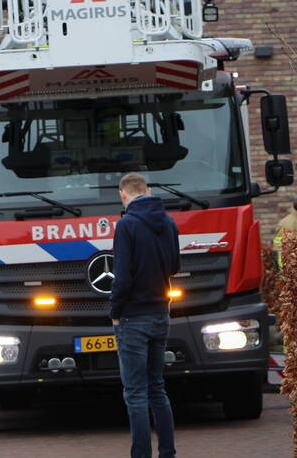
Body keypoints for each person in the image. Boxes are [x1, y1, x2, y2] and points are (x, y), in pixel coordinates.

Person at [111, 172, 180, 458]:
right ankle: (168, 453)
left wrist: (115, 311)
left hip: (133, 317)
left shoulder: (126, 225)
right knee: (157, 389)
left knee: (135, 393)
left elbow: (122, 277)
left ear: (124, 195)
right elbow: (174, 266)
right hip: (160, 313)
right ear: (147, 191)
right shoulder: (168, 222)